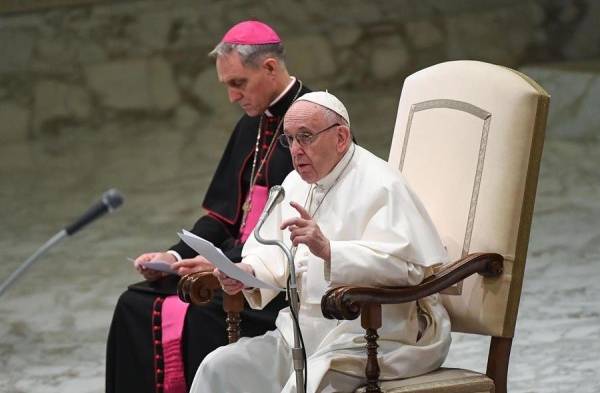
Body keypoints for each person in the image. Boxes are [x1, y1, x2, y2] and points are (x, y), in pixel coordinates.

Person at [187, 91, 452, 393]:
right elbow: (271, 253)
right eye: (289, 139)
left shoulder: (381, 184)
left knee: (307, 385)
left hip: (372, 336)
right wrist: (246, 274)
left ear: (341, 137)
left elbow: (409, 269)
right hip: (299, 333)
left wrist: (330, 251)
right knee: (219, 367)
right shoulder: (294, 184)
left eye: (306, 137)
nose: (296, 150)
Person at [105, 20, 310, 393]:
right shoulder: (249, 126)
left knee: (197, 313)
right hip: (233, 264)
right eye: (227, 86)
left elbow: (304, 227)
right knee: (133, 302)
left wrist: (225, 263)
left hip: (276, 282)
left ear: (269, 67)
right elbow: (220, 215)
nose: (232, 97)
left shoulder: (314, 122)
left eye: (238, 83)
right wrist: (172, 255)